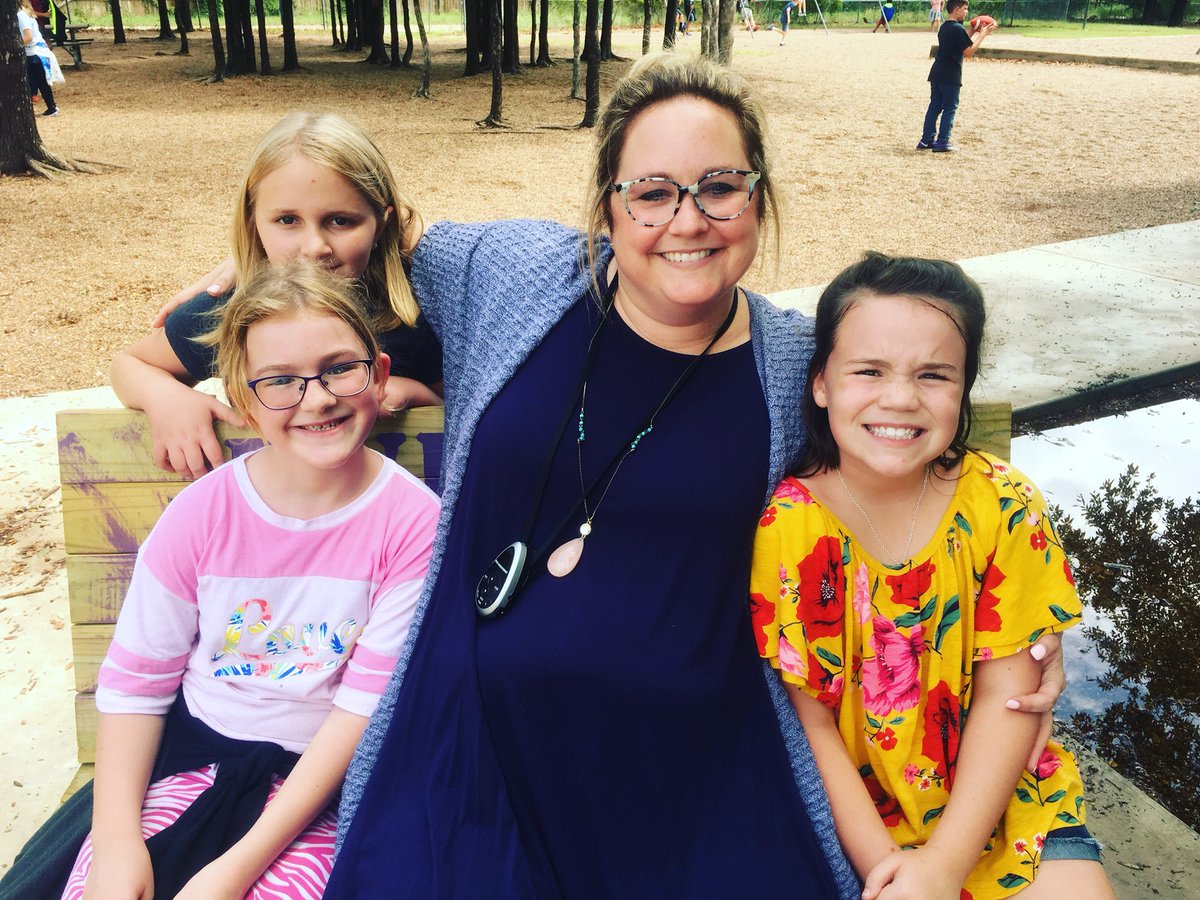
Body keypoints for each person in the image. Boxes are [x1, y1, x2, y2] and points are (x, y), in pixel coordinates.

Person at [56, 261, 439, 899]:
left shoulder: (412, 523)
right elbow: (136, 685)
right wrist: (118, 843)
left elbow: (361, 711)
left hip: (326, 785)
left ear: (378, 374)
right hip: (194, 759)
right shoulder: (202, 514)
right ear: (241, 400)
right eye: (279, 380)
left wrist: (231, 872)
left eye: (340, 368)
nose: (317, 398)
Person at [750, 253, 1116, 900]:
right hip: (863, 823)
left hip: (1002, 803)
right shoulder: (791, 527)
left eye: (933, 375)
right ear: (821, 384)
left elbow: (1011, 698)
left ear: (964, 388)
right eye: (869, 371)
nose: (900, 398)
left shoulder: (1003, 503)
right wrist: (893, 872)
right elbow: (814, 726)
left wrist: (944, 866)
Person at [110, 112, 443, 481]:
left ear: (381, 222)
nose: (314, 247)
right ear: (254, 222)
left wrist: (414, 393)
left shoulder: (418, 307)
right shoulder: (230, 311)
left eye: (341, 220)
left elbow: (459, 408)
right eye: (287, 220)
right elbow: (130, 364)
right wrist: (166, 398)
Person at [918, 0, 996, 152]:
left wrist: (972, 31)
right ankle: (943, 141)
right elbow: (968, 51)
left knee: (935, 106)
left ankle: (926, 140)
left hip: (937, 72)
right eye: (965, 9)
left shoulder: (945, 27)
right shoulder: (958, 29)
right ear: (957, 9)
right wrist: (982, 35)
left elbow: (960, 42)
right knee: (949, 108)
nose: (967, 12)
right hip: (950, 74)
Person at [18, 0, 62, 117]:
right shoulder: (28, 12)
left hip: (33, 53)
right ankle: (52, 107)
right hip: (37, 51)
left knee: (34, 81)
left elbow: (28, 37)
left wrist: (15, 46)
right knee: (41, 81)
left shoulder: (21, 15)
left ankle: (50, 107)